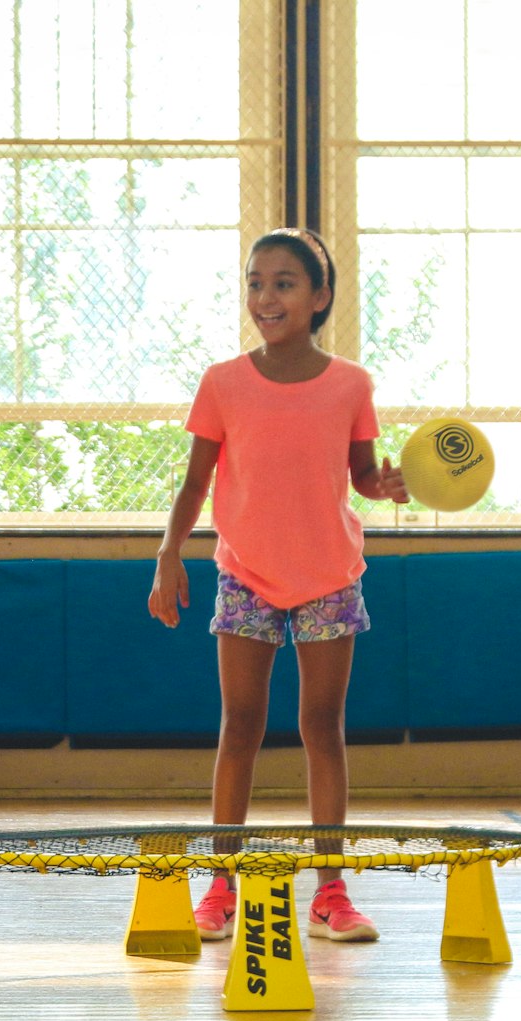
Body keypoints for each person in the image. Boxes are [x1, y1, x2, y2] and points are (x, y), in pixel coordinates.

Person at [148, 227, 410, 944]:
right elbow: (196, 481)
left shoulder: (352, 383)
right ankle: (220, 887)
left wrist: (382, 484)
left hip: (329, 576)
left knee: (322, 727)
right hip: (246, 576)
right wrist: (169, 553)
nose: (267, 296)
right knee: (240, 727)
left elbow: (359, 474)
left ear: (320, 296)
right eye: (256, 282)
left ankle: (330, 890)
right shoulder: (223, 382)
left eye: (285, 283)